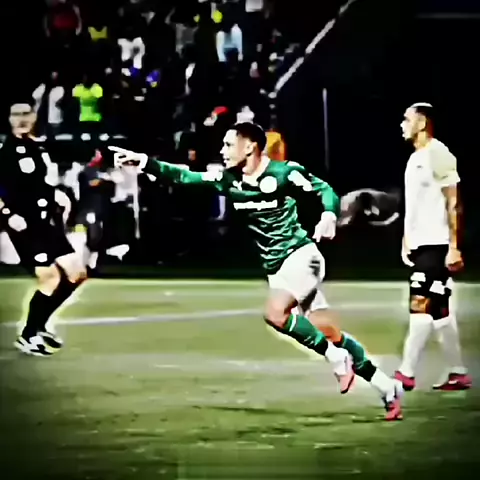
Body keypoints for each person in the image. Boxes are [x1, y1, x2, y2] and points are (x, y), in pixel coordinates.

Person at [109, 122, 403, 420]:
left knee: (276, 314)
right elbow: (184, 176)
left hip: (302, 256)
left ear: (249, 146)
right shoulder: (228, 180)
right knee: (328, 333)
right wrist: (144, 162)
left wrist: (328, 214)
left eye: (228, 145)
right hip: (277, 268)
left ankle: (337, 359)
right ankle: (387, 387)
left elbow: (324, 190)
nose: (222, 151)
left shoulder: (284, 173)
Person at [0, 99, 87, 356]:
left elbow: (38, 183)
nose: (21, 118)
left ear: (34, 116)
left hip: (46, 221)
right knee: (49, 277)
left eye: (26, 113)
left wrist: (56, 195)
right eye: (16, 114)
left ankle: (40, 324)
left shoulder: (37, 147)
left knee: (77, 273)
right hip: (24, 224)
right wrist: (7, 214)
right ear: (9, 119)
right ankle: (28, 335)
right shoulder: (5, 151)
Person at [395, 102, 471, 391]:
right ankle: (458, 372)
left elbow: (454, 202)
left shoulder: (439, 154)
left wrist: (454, 246)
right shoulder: (414, 158)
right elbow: (415, 205)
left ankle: (406, 372)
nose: (402, 125)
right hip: (422, 245)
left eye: (407, 119)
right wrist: (407, 238)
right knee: (439, 312)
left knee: (420, 306)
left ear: (422, 122)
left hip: (437, 245)